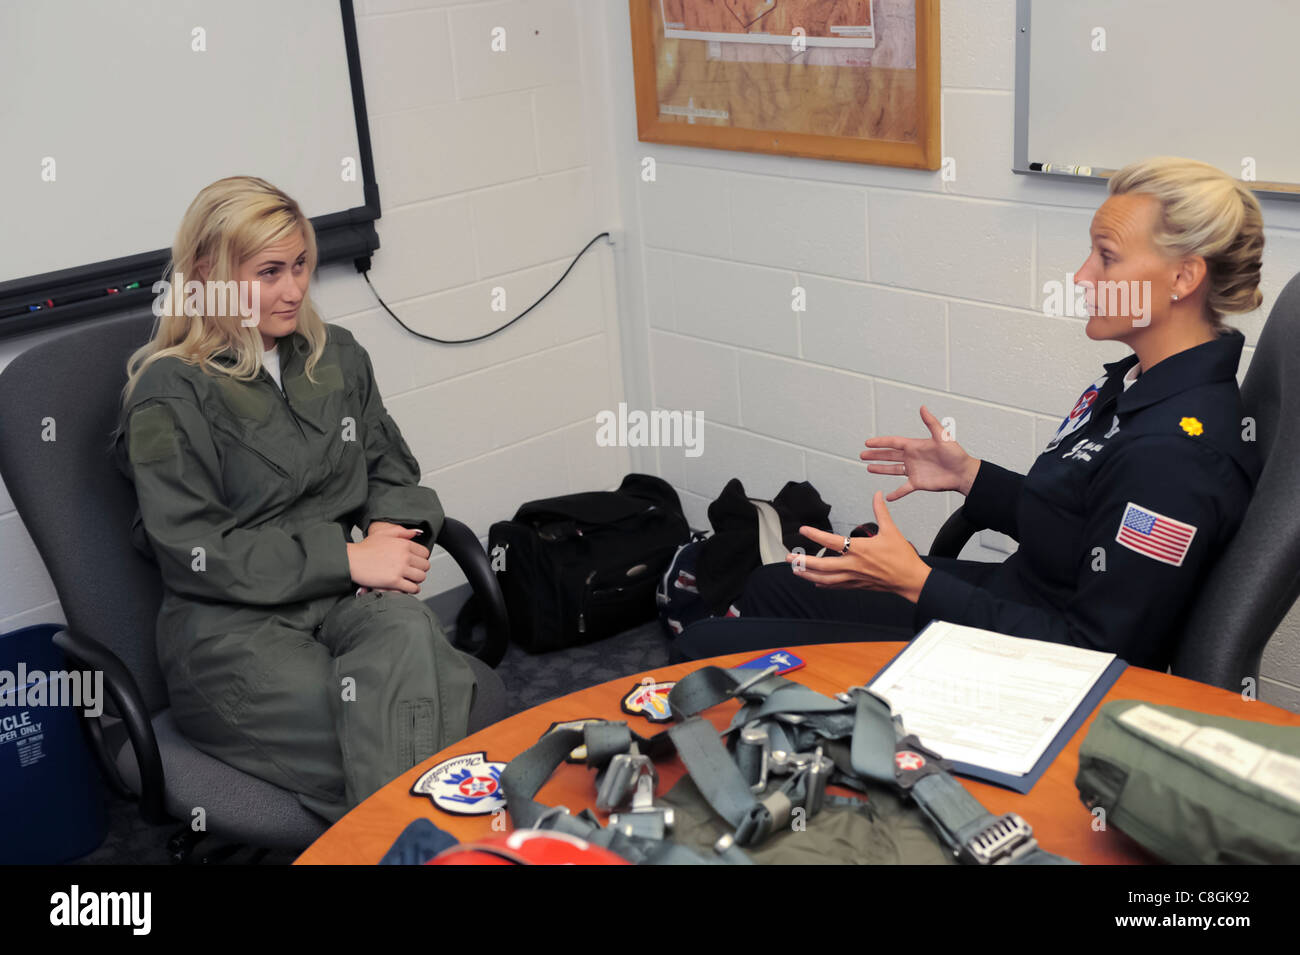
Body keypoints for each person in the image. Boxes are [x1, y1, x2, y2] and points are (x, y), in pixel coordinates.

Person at [674, 156, 1264, 672]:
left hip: (1025, 668)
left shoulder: (1176, 456)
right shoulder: (1138, 384)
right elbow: (1078, 528)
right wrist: (970, 477)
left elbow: (1094, 658)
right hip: (1014, 600)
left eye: (1105, 258)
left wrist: (915, 582)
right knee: (776, 584)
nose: (1082, 277)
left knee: (702, 654)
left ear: (1184, 277)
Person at [113, 176, 477, 823]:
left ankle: (404, 834)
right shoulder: (169, 392)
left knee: (405, 654)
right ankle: (424, 833)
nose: (294, 288)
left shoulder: (336, 355)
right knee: (414, 720)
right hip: (231, 632)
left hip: (348, 602)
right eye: (269, 271)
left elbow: (391, 465)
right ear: (209, 272)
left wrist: (393, 533)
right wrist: (347, 557)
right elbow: (195, 550)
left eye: (302, 264)